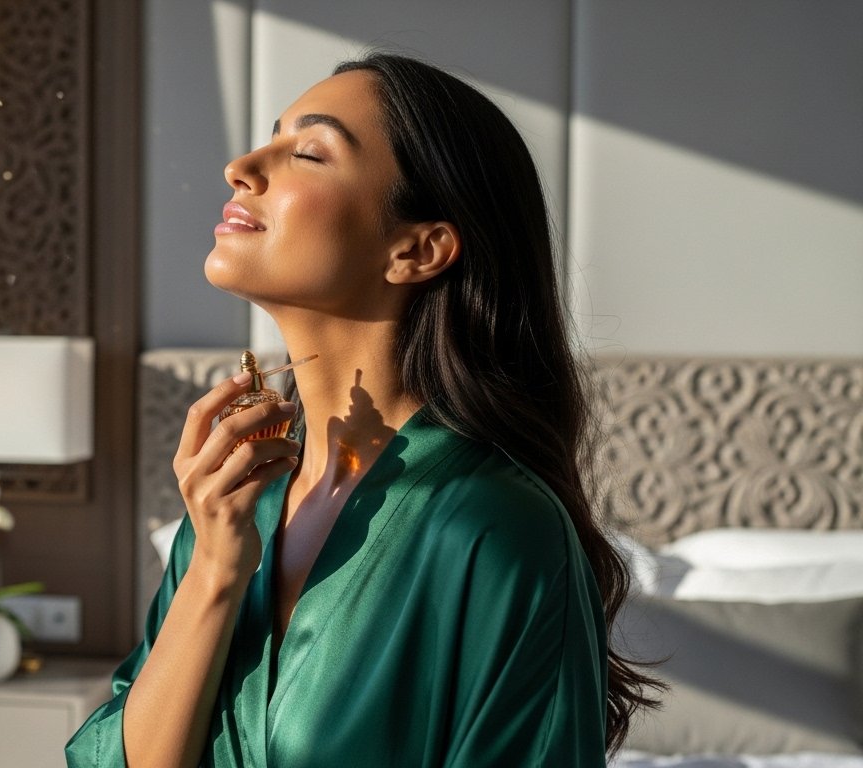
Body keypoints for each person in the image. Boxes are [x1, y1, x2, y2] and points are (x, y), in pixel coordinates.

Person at [66, 52, 662, 767]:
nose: (243, 166)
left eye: (309, 152)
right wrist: (215, 573)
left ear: (417, 249)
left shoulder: (494, 528)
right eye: (271, 136)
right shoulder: (232, 502)